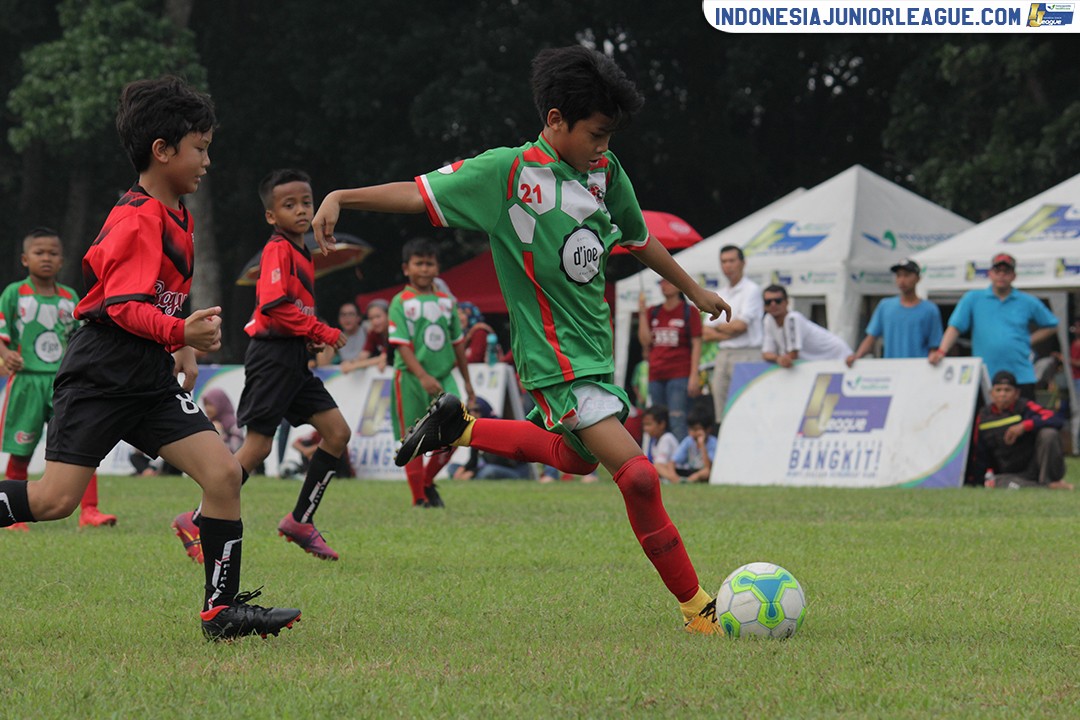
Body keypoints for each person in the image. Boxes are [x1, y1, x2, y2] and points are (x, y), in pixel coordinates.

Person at [311, 46, 732, 635]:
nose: (604, 146)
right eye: (597, 133)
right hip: (551, 358)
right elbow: (418, 193)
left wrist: (692, 289)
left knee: (574, 459)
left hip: (594, 355)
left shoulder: (606, 173)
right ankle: (698, 609)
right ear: (556, 119)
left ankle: (460, 429)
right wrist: (341, 197)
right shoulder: (505, 174)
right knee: (637, 476)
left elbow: (637, 239)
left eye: (611, 135)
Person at [0, 76, 300, 640]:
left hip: (147, 375)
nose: (208, 160)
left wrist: (179, 341)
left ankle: (222, 612)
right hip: (101, 371)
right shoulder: (138, 217)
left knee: (223, 476)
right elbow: (120, 307)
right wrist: (177, 330)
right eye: (200, 148)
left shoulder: (178, 213)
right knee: (54, 500)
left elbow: (162, 293)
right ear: (162, 151)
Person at [172, 168, 350, 563]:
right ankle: (196, 519)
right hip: (271, 358)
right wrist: (319, 327)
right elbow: (275, 305)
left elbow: (292, 310)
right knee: (258, 446)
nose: (301, 210)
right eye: (289, 205)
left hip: (293, 359)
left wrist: (310, 335)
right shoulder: (278, 250)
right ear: (272, 216)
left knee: (337, 433)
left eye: (306, 202)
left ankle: (300, 521)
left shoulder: (302, 251)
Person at [0, 228, 117, 531]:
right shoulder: (14, 293)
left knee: (82, 444)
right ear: (25, 259)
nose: (47, 258)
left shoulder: (70, 298)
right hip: (27, 381)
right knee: (22, 447)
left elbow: (80, 337)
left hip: (65, 383)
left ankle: (90, 511)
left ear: (62, 260)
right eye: (39, 253)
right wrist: (6, 352)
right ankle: (13, 514)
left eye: (53, 253)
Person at [389, 238, 476, 507]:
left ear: (437, 268)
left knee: (457, 432)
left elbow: (458, 344)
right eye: (419, 263)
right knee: (411, 437)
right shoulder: (400, 302)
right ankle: (419, 499)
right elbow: (401, 346)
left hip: (444, 379)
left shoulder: (447, 303)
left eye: (430, 263)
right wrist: (423, 376)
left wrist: (468, 384)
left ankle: (426, 483)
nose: (425, 269)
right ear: (407, 268)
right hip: (411, 379)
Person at [930, 253, 1058, 398]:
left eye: (1006, 272)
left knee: (1024, 420)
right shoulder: (973, 298)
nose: (1002, 276)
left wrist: (1028, 340)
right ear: (990, 274)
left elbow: (1052, 325)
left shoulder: (1028, 301)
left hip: (1020, 375)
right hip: (985, 375)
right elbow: (955, 327)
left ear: (1014, 276)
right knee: (985, 419)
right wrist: (941, 351)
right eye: (998, 271)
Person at [974, 370, 1073, 490]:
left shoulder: (1025, 406)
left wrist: (1024, 426)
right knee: (997, 483)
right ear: (991, 394)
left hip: (1034, 467)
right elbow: (978, 449)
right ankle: (1047, 487)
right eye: (998, 390)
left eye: (1007, 390)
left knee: (1048, 434)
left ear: (1016, 393)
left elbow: (1055, 418)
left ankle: (1048, 480)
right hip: (1007, 473)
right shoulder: (983, 416)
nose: (1002, 394)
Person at [702, 245, 762, 425]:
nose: (727, 265)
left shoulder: (751, 290)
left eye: (732, 261)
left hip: (747, 353)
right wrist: (730, 330)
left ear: (743, 263)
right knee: (721, 410)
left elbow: (741, 326)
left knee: (747, 408)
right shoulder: (720, 293)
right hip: (724, 354)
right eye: (724, 261)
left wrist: (720, 328)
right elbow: (705, 332)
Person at [637, 278, 702, 439]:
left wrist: (694, 375)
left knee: (677, 419)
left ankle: (680, 463)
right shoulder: (654, 311)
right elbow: (645, 341)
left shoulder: (689, 311)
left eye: (668, 281)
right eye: (661, 283)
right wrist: (642, 314)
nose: (664, 286)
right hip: (656, 374)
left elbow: (697, 344)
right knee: (659, 422)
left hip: (680, 374)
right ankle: (661, 461)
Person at [846, 259, 943, 366]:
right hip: (891, 371)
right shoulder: (885, 306)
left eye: (906, 275)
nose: (902, 280)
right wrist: (857, 356)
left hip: (918, 370)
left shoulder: (930, 310)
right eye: (898, 275)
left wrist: (934, 357)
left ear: (918, 279)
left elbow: (934, 345)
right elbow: (871, 337)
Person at [761, 285, 852, 366]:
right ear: (764, 306)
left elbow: (792, 356)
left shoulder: (793, 318)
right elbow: (766, 353)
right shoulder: (768, 319)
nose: (773, 305)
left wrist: (779, 358)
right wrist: (778, 358)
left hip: (838, 357)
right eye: (768, 302)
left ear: (787, 302)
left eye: (778, 301)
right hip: (816, 362)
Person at [449, 398, 532, 480]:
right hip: (488, 466)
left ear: (485, 410)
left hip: (514, 470)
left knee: (488, 471)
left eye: (476, 410)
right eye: (469, 410)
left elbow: (500, 461)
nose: (472, 414)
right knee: (452, 468)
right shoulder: (476, 429)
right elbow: (473, 460)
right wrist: (464, 469)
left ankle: (472, 478)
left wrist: (473, 472)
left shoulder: (498, 427)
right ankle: (470, 477)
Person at [656, 409, 716, 484]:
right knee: (658, 465)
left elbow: (708, 467)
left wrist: (702, 445)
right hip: (690, 471)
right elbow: (672, 462)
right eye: (691, 429)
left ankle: (689, 481)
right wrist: (673, 476)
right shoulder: (688, 440)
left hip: (702, 473)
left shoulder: (713, 443)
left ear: (708, 430)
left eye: (697, 429)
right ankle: (678, 481)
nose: (693, 433)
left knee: (706, 472)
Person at [344, 298, 391, 372]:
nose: (375, 322)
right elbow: (364, 355)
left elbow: (383, 358)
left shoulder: (395, 333)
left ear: (388, 315)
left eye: (378, 317)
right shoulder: (373, 333)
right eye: (371, 318)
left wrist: (354, 366)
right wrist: (351, 362)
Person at [317, 302, 367, 367]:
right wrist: (323, 335)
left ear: (359, 317)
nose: (347, 318)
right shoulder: (337, 338)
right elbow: (323, 365)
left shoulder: (367, 330)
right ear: (339, 319)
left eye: (351, 314)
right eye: (343, 315)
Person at [202, 387, 243, 453]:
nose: (207, 408)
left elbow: (235, 449)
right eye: (205, 405)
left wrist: (220, 433)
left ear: (220, 403)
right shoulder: (207, 424)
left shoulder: (233, 424)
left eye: (210, 404)